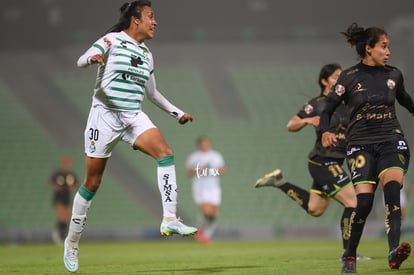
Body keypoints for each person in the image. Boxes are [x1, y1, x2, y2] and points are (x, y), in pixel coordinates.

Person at [63, 1, 197, 272]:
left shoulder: (147, 54)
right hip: (104, 116)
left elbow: (152, 94)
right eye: (150, 16)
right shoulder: (111, 40)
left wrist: (177, 112)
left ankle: (170, 218)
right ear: (135, 20)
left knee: (166, 153)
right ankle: (72, 242)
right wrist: (92, 58)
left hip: (133, 117)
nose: (155, 22)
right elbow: (80, 60)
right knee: (92, 183)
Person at [320, 22, 414, 273]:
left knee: (393, 190)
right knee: (363, 203)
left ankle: (394, 251)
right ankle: (349, 254)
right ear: (369, 48)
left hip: (391, 140)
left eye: (389, 47)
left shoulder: (394, 75)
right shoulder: (348, 77)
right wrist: (325, 131)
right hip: (360, 144)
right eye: (384, 47)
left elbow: (405, 100)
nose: (388, 52)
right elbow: (327, 109)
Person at [255, 63, 370, 260]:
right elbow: (290, 124)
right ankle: (349, 253)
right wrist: (307, 120)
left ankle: (279, 182)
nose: (340, 80)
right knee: (353, 201)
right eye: (336, 76)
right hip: (322, 161)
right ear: (325, 81)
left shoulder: (345, 104)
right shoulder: (316, 104)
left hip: (335, 162)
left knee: (314, 209)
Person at [185, 136, 225, 244]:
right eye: (203, 143)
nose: (205, 145)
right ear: (199, 145)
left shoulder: (216, 156)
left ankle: (200, 229)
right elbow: (187, 172)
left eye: (207, 143)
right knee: (207, 212)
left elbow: (222, 170)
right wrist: (197, 170)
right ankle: (203, 235)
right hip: (200, 188)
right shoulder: (193, 157)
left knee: (213, 215)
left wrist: (212, 171)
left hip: (214, 188)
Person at [49, 156, 79, 244]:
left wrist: (72, 187)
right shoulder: (58, 174)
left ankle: (62, 234)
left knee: (66, 218)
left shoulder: (71, 175)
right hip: (59, 198)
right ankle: (57, 234)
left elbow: (76, 185)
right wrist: (56, 187)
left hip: (67, 198)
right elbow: (50, 183)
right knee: (61, 217)